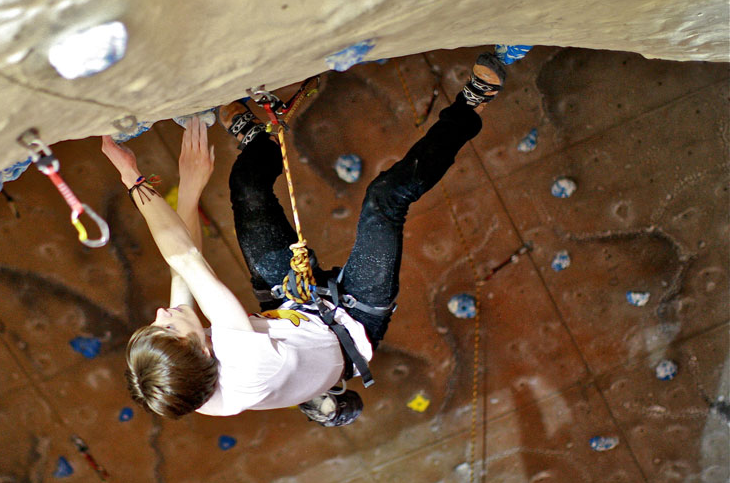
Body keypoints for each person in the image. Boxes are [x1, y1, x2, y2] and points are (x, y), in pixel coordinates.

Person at [101, 51, 507, 426]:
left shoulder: (186, 386)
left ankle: (257, 139)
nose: (161, 314)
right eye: (167, 327)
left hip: (288, 308)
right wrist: (131, 179)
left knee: (248, 191)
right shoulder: (243, 365)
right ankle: (470, 107)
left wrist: (191, 191)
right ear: (206, 352)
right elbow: (185, 259)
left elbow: (182, 275)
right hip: (352, 323)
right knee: (384, 200)